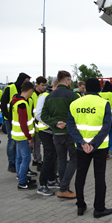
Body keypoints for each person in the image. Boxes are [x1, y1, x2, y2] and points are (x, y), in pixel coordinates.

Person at [67, 78, 112, 218]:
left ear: (86, 88)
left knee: (80, 176)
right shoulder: (104, 103)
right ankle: (99, 209)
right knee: (99, 177)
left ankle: (80, 206)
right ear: (99, 89)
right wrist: (93, 144)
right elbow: (106, 127)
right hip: (100, 146)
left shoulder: (75, 103)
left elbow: (71, 126)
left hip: (81, 147)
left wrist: (82, 142)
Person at [41, 70, 79, 199]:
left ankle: (64, 189)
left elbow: (43, 115)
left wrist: (55, 123)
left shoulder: (49, 96)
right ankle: (63, 189)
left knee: (62, 160)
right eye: (70, 80)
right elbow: (78, 114)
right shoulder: (72, 95)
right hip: (70, 133)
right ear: (67, 80)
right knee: (74, 159)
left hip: (56, 134)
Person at [0, 72, 33, 173]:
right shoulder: (10, 88)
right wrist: (8, 119)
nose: (26, 83)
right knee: (11, 143)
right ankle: (11, 164)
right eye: (25, 81)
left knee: (20, 147)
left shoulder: (24, 91)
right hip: (12, 120)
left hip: (20, 121)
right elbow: (3, 104)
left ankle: (23, 168)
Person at [36, 77, 60, 196]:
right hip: (45, 131)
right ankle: (42, 185)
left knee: (54, 155)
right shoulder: (44, 96)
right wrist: (52, 124)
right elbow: (38, 114)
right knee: (49, 156)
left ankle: (51, 180)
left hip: (52, 130)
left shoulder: (53, 96)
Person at [11, 81, 37, 190]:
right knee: (25, 159)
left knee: (19, 158)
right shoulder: (22, 104)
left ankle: (21, 177)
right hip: (23, 137)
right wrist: (29, 138)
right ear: (30, 90)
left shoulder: (16, 101)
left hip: (18, 136)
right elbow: (23, 123)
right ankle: (22, 182)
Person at [31, 76, 47, 171]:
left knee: (38, 142)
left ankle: (36, 159)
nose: (44, 87)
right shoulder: (33, 94)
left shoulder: (44, 94)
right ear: (37, 84)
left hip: (40, 122)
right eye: (42, 85)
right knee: (36, 142)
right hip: (34, 122)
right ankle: (38, 161)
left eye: (45, 85)